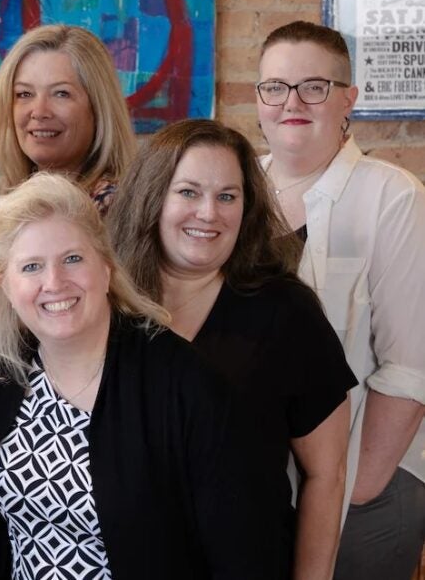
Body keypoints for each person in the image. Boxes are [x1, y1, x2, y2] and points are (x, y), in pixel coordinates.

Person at [0, 171, 280, 579]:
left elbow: (247, 556)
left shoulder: (186, 385)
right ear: (5, 286)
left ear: (107, 269)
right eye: (31, 267)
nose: (54, 282)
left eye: (73, 259)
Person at [108, 118, 355, 579]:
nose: (209, 213)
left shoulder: (287, 312)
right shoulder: (108, 309)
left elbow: (328, 474)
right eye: (188, 192)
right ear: (152, 197)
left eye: (227, 196)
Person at [256, 21, 425, 580]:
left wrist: (354, 486)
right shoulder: (235, 192)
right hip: (259, 484)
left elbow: (411, 367)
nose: (292, 102)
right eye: (275, 86)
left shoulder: (391, 196)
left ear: (348, 98)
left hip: (365, 485)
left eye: (314, 86)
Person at [0, 24, 136, 212]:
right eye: (24, 94)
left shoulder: (116, 208)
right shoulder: (4, 199)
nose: (40, 111)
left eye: (61, 94)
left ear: (99, 108)